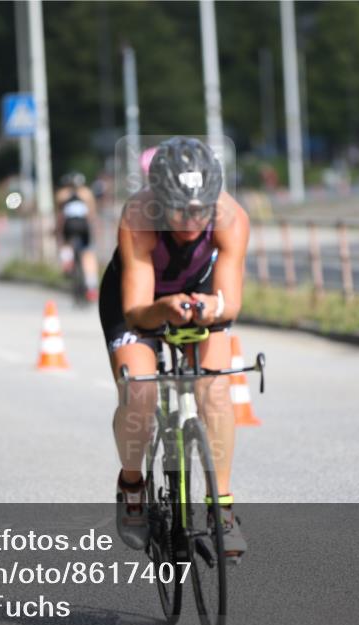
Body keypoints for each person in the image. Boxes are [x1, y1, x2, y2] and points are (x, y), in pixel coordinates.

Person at [99, 137, 250, 558]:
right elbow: (136, 314)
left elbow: (231, 301)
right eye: (181, 209)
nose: (192, 217)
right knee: (141, 392)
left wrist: (212, 306)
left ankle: (222, 509)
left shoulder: (232, 217)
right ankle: (132, 485)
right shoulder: (138, 217)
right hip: (139, 301)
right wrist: (164, 309)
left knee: (215, 391)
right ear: (159, 199)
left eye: (202, 207)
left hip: (199, 295)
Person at [55, 172, 99, 301]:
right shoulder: (87, 193)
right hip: (83, 226)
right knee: (88, 253)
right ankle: (91, 287)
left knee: (64, 243)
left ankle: (66, 260)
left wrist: (57, 231)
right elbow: (91, 215)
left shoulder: (62, 194)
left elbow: (60, 216)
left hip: (69, 226)